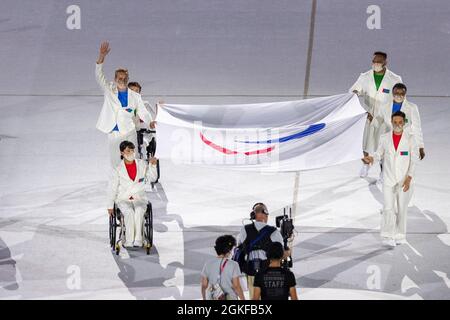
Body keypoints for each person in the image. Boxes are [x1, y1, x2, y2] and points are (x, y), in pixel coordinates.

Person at [362, 111, 418, 247]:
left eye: (400, 122)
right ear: (391, 122)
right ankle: (388, 235)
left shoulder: (411, 138)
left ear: (404, 123)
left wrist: (409, 177)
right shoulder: (384, 138)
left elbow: (414, 160)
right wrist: (371, 159)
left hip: (404, 180)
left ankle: (400, 234)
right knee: (388, 208)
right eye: (395, 122)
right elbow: (378, 154)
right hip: (388, 179)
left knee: (402, 208)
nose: (397, 125)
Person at [95, 42, 153, 168]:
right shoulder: (109, 90)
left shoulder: (135, 96)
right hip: (114, 132)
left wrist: (150, 122)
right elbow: (99, 76)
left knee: (133, 160)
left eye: (124, 78)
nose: (122, 80)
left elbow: (143, 112)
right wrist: (101, 56)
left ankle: (135, 184)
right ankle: (118, 186)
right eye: (119, 78)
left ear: (127, 79)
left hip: (129, 131)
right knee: (116, 163)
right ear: (115, 79)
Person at [350, 51, 403, 179]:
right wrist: (356, 93)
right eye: (374, 61)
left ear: (385, 63)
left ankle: (383, 170)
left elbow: (400, 99)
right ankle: (366, 165)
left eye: (379, 62)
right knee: (365, 143)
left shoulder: (395, 79)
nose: (376, 64)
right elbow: (352, 92)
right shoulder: (364, 76)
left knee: (383, 145)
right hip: (368, 116)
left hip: (385, 118)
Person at [107, 141, 158, 248]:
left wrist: (153, 166)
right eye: (128, 151)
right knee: (129, 212)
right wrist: (110, 205)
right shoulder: (117, 169)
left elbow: (152, 178)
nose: (131, 153)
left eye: (133, 150)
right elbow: (112, 188)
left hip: (139, 197)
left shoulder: (142, 164)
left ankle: (139, 239)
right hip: (124, 198)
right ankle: (129, 240)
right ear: (122, 153)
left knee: (139, 210)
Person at [237, 203, 289, 299]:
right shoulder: (274, 232)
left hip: (251, 271)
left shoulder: (244, 230)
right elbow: (282, 254)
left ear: (253, 214)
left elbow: (238, 247)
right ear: (264, 214)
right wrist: (288, 250)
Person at [375, 83, 425, 164]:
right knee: (385, 160)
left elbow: (417, 127)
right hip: (389, 137)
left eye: (402, 93)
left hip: (404, 139)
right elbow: (377, 121)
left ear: (405, 94)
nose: (399, 95)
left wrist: (420, 146)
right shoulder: (384, 106)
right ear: (392, 93)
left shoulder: (412, 108)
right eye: (396, 93)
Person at [201, 235, 245, 300]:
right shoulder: (234, 264)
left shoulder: (208, 264)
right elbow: (236, 286)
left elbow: (204, 285)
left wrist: (204, 298)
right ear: (229, 250)